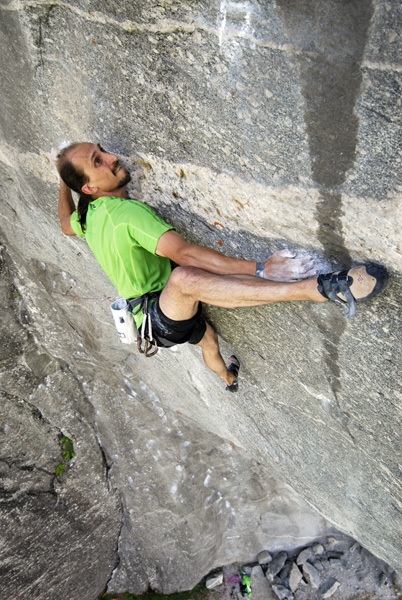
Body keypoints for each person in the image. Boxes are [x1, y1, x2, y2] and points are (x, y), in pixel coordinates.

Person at [56, 142, 388, 391]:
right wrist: (260, 268)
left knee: (208, 342)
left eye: (102, 151)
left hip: (162, 320)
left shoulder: (86, 216)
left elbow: (63, 225)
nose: (112, 158)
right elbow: (185, 255)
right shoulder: (123, 213)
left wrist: (62, 183)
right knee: (185, 279)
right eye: (98, 161)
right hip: (157, 318)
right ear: (90, 188)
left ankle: (229, 380)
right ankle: (319, 289)